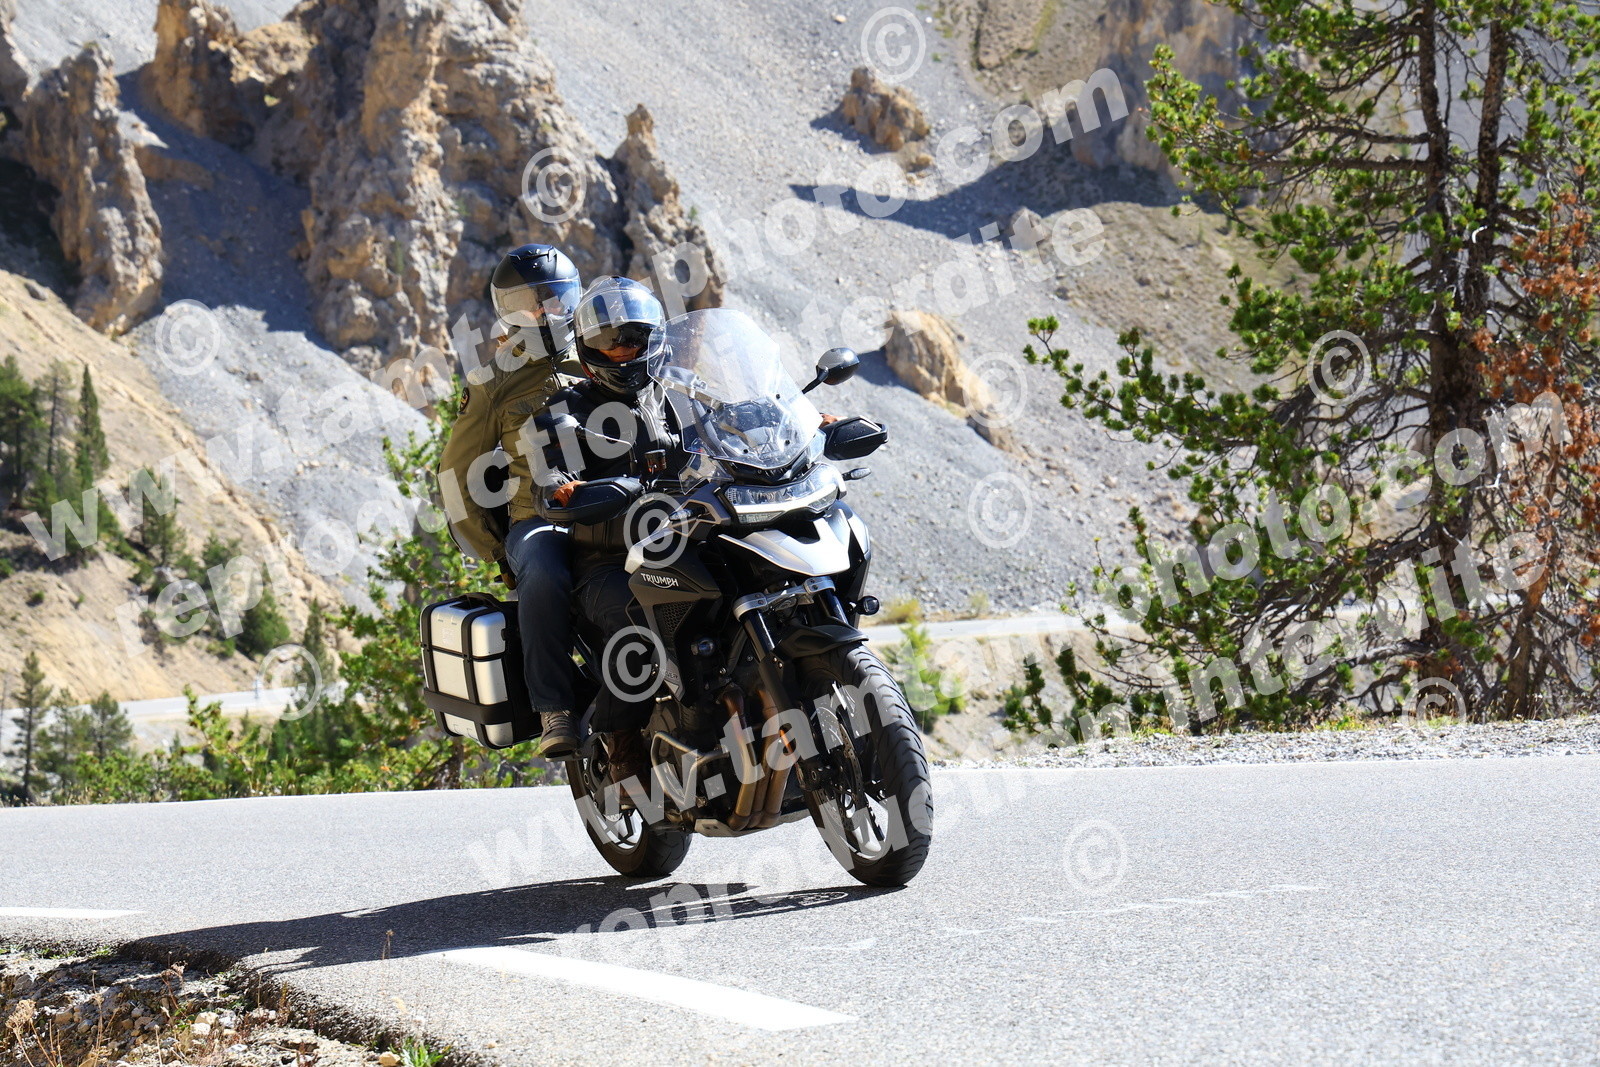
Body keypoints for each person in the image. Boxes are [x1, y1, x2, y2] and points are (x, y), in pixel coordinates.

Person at [438, 243, 584, 757]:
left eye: (554, 299)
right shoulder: (493, 381)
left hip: (619, 507)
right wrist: (499, 555)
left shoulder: (605, 351)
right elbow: (456, 477)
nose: (543, 313)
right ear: (507, 310)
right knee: (541, 569)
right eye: (528, 303)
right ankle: (555, 709)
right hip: (541, 519)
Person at [533, 275, 679, 786]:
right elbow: (552, 473)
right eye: (607, 341)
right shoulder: (565, 410)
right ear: (587, 348)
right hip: (608, 559)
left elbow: (734, 421)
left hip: (688, 540)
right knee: (639, 626)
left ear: (652, 338)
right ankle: (621, 744)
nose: (621, 350)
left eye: (632, 338)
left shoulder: (678, 393)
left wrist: (803, 425)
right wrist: (563, 488)